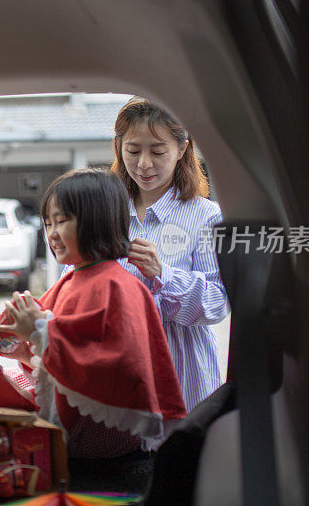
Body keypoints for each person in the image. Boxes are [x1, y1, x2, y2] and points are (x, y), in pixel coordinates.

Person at [0, 169, 186, 458]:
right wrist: (23, 350)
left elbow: (111, 365)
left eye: (62, 221)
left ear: (98, 222)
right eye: (48, 223)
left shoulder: (119, 286)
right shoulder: (72, 279)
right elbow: (67, 358)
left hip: (98, 440)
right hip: (73, 427)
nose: (52, 233)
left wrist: (38, 328)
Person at [111, 96, 231, 411]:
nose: (144, 163)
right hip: (116, 370)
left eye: (158, 151)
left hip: (182, 374)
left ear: (182, 149)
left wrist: (163, 274)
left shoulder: (205, 216)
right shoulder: (107, 213)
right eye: (133, 151)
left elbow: (218, 303)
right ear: (119, 148)